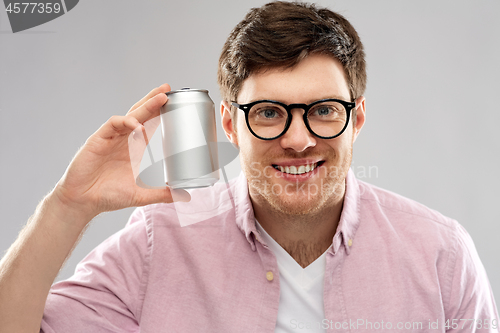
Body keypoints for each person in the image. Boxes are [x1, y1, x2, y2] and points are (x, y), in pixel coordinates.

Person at [0, 1, 498, 332]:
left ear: (357, 117)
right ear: (230, 125)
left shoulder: (441, 257)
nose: (298, 140)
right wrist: (68, 205)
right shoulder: (159, 242)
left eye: (324, 110)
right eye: (268, 113)